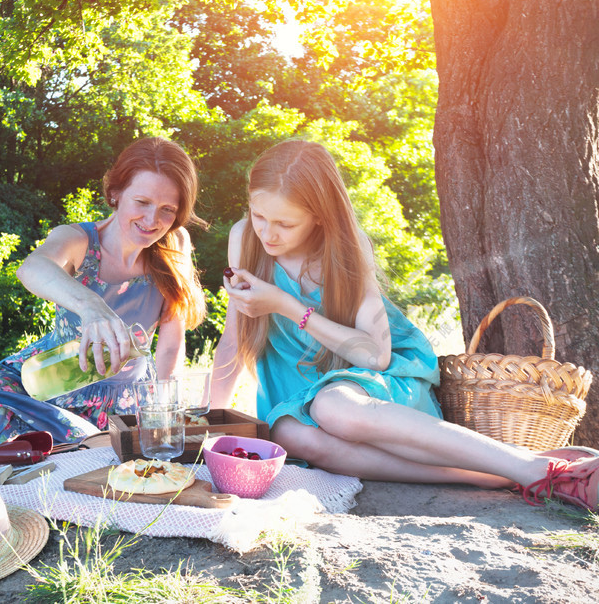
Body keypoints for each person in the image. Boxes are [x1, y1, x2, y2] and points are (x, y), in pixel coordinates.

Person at [211, 139, 599, 510]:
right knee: (287, 436)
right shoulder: (244, 238)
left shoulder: (346, 248)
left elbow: (376, 356)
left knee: (333, 408)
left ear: (317, 216)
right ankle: (492, 476)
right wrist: (209, 418)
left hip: (370, 379)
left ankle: (529, 467)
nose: (267, 232)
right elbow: (232, 337)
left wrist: (287, 306)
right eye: (258, 215)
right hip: (295, 390)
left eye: (284, 223)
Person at [0, 137, 207, 457]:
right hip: (51, 384)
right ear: (115, 193)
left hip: (127, 400)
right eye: (142, 202)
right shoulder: (78, 239)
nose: (153, 220)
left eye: (168, 209)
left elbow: (170, 345)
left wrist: (166, 412)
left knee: (89, 451)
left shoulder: (174, 244)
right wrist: (92, 307)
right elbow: (32, 268)